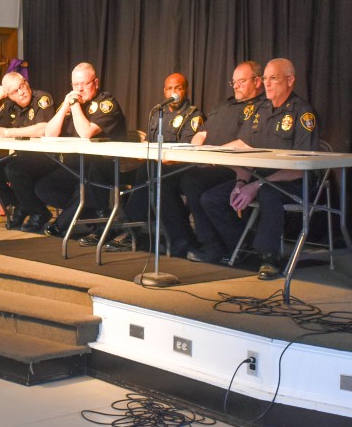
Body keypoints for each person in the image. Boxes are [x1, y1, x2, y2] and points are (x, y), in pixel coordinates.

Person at [200, 58, 319, 279]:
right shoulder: (261, 110)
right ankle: (244, 248)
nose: (268, 84)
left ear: (290, 80)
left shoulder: (302, 114)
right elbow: (245, 149)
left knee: (267, 193)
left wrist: (255, 185)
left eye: (273, 78)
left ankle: (269, 258)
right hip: (257, 178)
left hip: (291, 183)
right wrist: (241, 182)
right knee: (211, 198)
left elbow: (300, 168)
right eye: (265, 79)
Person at [99, 73, 204, 256]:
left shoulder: (193, 116)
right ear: (164, 91)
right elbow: (146, 145)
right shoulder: (157, 114)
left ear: (186, 90)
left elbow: (187, 152)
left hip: (180, 169)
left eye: (178, 88)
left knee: (149, 174)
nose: (173, 92)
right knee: (130, 171)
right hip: (155, 169)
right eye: (169, 88)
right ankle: (173, 238)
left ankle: (130, 230)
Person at [29, 62, 127, 236]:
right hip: (76, 165)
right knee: (43, 187)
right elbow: (50, 133)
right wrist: (65, 106)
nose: (79, 89)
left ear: (96, 83)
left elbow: (86, 133)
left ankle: (62, 223)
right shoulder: (71, 103)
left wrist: (73, 105)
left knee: (87, 185)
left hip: (104, 166)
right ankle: (90, 212)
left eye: (85, 84)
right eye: (75, 84)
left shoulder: (106, 102)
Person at [183, 61, 266, 263]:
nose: (236, 85)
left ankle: (219, 245)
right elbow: (201, 133)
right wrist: (197, 152)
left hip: (237, 167)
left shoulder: (262, 106)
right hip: (209, 162)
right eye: (234, 82)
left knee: (195, 184)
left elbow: (247, 142)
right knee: (169, 180)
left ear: (257, 81)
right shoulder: (224, 105)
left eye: (241, 81)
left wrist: (214, 156)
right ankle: (193, 241)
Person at [0, 72, 54, 229]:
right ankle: (23, 205)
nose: (21, 92)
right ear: (8, 94)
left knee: (13, 169)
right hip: (22, 156)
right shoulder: (8, 105)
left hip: (46, 158)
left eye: (22, 86)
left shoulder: (42, 99)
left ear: (26, 82)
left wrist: (7, 132)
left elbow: (43, 128)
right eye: (14, 91)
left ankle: (38, 212)